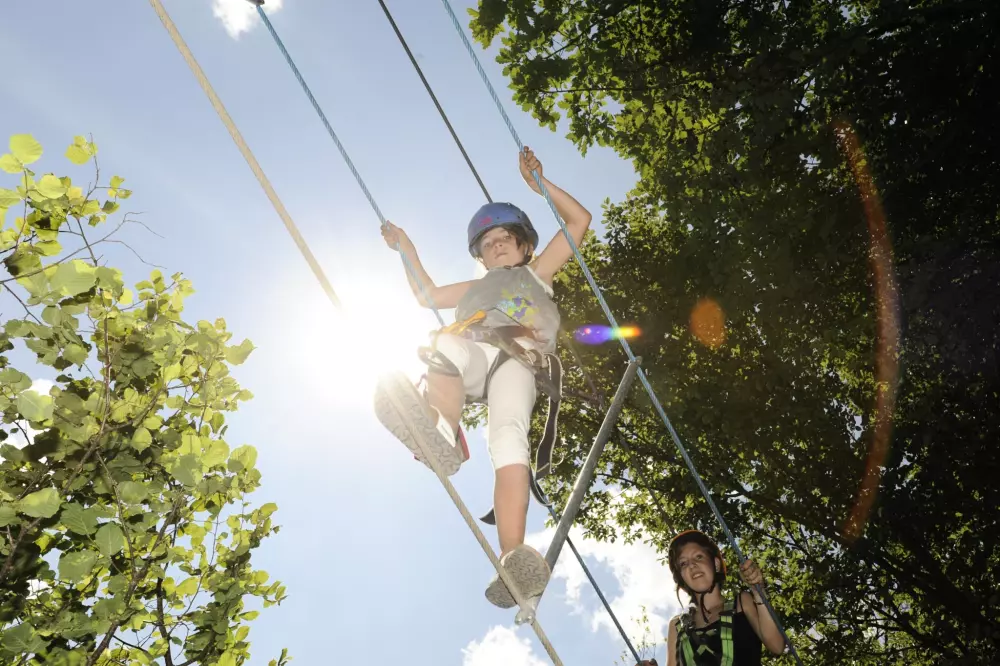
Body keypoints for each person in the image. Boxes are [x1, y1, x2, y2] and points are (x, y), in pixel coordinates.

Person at [374, 146, 592, 609]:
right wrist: (406, 247)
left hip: (521, 361)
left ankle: (512, 555)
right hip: (476, 353)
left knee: (509, 438)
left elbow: (579, 223)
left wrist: (542, 186)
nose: (496, 245)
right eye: (487, 242)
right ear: (479, 254)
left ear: (525, 246)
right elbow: (426, 293)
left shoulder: (538, 272)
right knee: (445, 343)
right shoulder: (473, 288)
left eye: (505, 238)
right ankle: (440, 430)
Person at [636, 531, 787, 666]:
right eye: (683, 563)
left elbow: (777, 645)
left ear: (715, 564)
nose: (692, 565)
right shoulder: (677, 626)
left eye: (698, 557)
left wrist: (758, 591)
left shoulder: (742, 602)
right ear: (681, 577)